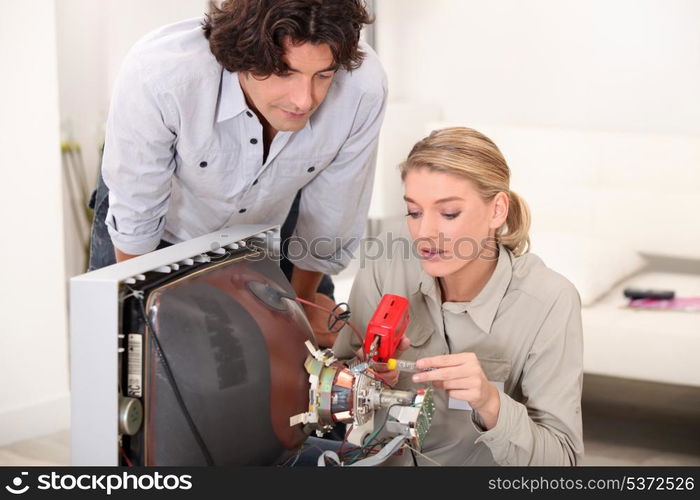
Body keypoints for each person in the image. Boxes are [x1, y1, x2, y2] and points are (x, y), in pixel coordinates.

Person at [89, 0, 387, 347]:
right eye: (285, 72)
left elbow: (332, 212)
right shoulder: (161, 75)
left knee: (295, 361)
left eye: (323, 75)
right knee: (140, 362)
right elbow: (135, 224)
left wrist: (295, 317)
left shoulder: (362, 88)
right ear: (241, 56)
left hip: (273, 220)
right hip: (157, 228)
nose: (305, 100)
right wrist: (151, 328)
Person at [333, 127, 584, 465]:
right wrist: (364, 375)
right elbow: (336, 385)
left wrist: (491, 403)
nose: (424, 233)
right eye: (414, 212)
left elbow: (563, 462)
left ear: (497, 211)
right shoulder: (384, 263)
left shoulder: (551, 300)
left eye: (449, 214)